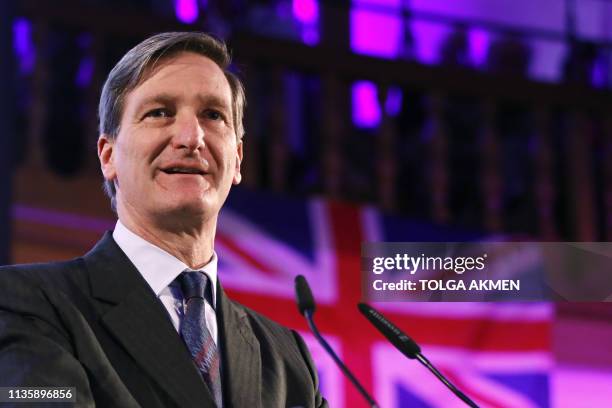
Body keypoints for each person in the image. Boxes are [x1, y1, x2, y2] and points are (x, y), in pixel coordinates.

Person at [0, 32, 327, 408]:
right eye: (160, 113)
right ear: (109, 156)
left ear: (237, 159)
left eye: (213, 115)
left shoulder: (288, 361)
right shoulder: (26, 304)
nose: (191, 137)